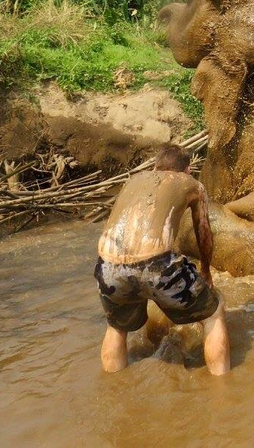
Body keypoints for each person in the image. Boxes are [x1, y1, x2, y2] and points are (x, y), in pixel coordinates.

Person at [94, 143, 230, 375]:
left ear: (156, 167)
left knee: (116, 327)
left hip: (108, 265)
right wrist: (206, 270)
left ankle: (114, 389)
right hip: (157, 265)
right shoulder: (192, 184)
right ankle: (222, 389)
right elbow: (203, 233)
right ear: (187, 170)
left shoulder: (132, 182)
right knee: (213, 314)